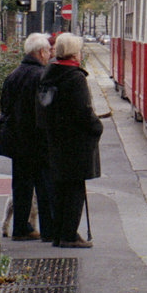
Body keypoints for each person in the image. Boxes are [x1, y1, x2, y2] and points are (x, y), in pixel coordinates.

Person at [39, 33, 103, 248]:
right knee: (75, 189)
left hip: (55, 140)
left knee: (59, 189)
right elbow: (84, 112)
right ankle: (69, 235)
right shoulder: (75, 77)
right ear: (74, 52)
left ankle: (59, 233)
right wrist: (97, 127)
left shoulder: (49, 74)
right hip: (76, 143)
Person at [0, 32, 55, 242]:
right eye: (48, 50)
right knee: (44, 185)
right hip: (37, 141)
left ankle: (21, 227)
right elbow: (46, 109)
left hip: (16, 140)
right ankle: (48, 230)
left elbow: (5, 107)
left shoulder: (13, 75)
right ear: (41, 52)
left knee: (21, 186)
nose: (50, 53)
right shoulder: (42, 75)